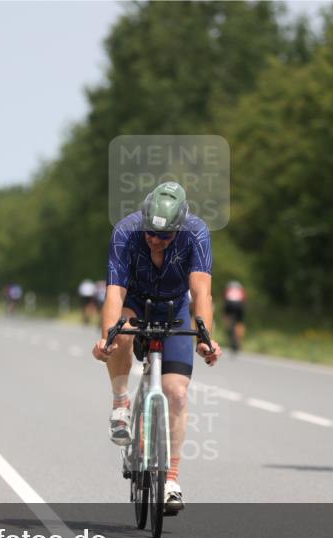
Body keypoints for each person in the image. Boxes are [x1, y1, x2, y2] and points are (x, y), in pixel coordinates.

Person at [92, 181, 222, 513]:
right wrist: (108, 336)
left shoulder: (196, 233)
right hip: (134, 303)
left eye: (164, 236)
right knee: (119, 333)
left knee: (176, 392)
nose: (154, 239)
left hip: (174, 307)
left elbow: (201, 292)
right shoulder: (126, 231)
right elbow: (115, 293)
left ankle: (171, 479)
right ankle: (121, 401)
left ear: (179, 228)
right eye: (151, 232)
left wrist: (205, 337)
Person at [223, 280, 247, 353]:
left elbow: (224, 299)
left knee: (226, 317)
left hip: (229, 304)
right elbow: (244, 299)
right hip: (239, 305)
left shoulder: (228, 288)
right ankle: (239, 338)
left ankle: (228, 327)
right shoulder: (241, 289)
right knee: (240, 322)